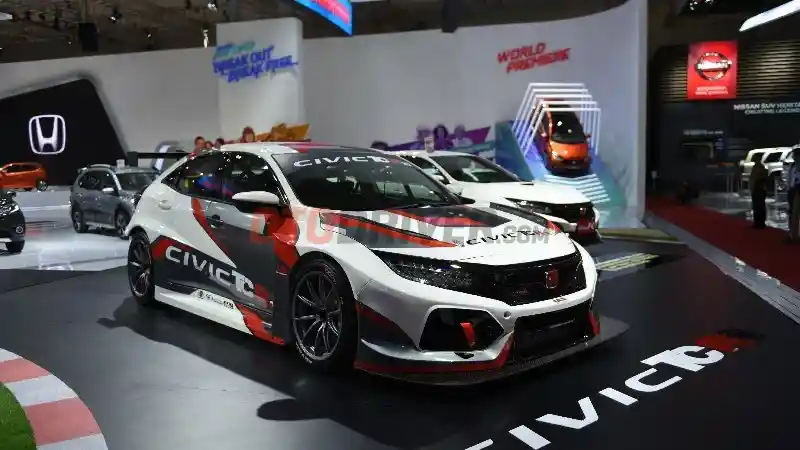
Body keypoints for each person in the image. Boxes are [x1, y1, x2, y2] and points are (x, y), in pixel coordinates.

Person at [750, 159, 768, 229]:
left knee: (759, 206)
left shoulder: (761, 168)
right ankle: (757, 222)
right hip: (756, 189)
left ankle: (760, 222)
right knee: (756, 206)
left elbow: (762, 179)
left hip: (759, 189)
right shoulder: (755, 167)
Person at [788, 148, 800, 241]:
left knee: (796, 213)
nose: (793, 157)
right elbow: (790, 178)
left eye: (795, 155)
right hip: (792, 190)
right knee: (792, 212)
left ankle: (795, 235)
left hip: (798, 190)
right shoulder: (793, 166)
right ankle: (792, 234)